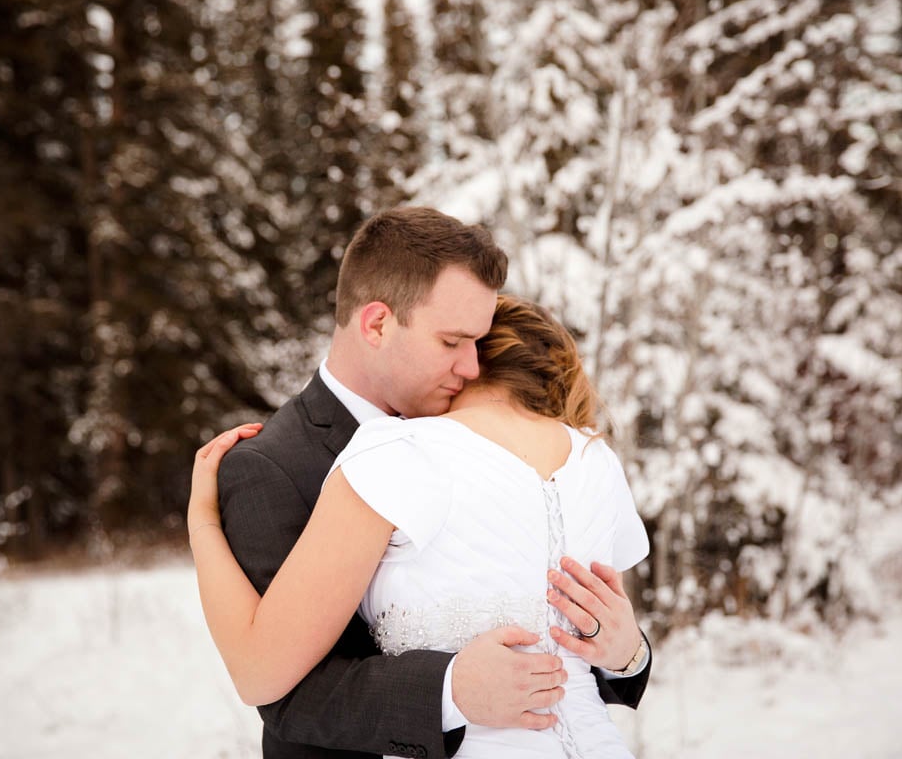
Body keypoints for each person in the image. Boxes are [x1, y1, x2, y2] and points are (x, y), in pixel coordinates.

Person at [198, 208, 651, 759]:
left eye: (479, 343)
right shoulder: (272, 465)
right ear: (377, 325)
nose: (472, 367)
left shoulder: (540, 452)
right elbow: (288, 698)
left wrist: (629, 653)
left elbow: (576, 651)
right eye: (452, 342)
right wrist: (450, 691)